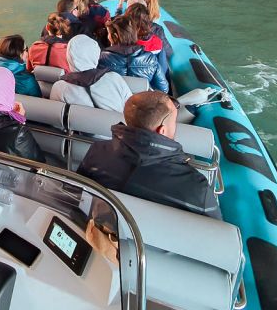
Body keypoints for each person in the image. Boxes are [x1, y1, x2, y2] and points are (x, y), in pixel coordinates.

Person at [77, 91, 221, 219]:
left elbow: (80, 194)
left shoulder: (97, 150)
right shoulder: (197, 188)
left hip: (103, 231)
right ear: (162, 131)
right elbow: (217, 235)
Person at [49, 35, 131, 112]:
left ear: (69, 56)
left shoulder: (59, 87)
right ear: (96, 54)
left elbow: (55, 120)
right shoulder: (115, 78)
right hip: (115, 125)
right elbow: (131, 108)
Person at [100, 13, 169, 93]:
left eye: (109, 34)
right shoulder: (150, 59)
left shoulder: (101, 58)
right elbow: (164, 89)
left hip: (112, 103)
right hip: (141, 103)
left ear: (115, 36)